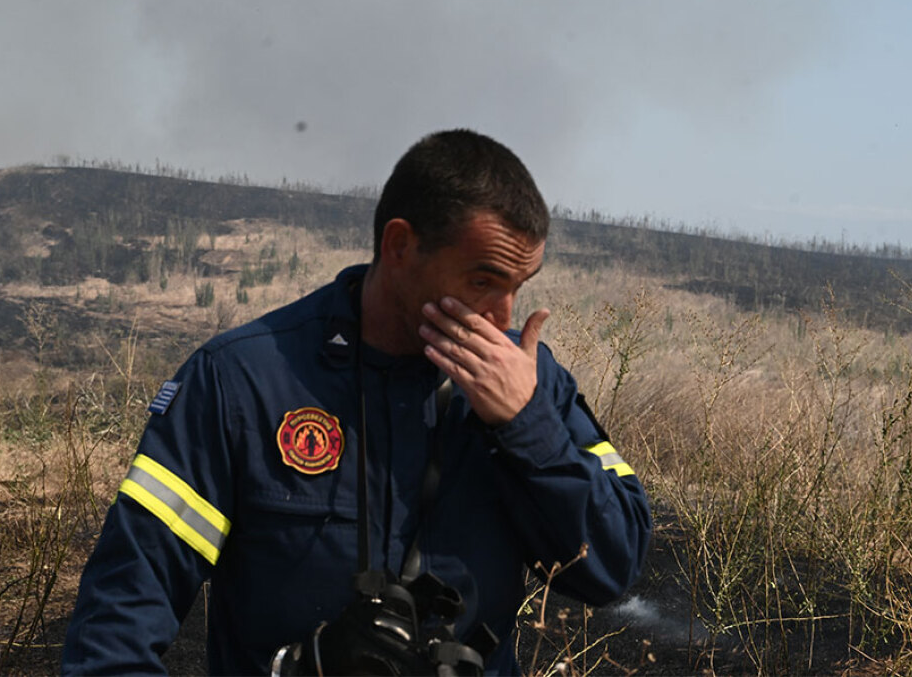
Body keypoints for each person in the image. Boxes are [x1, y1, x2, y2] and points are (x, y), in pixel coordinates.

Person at [61, 129, 652, 676]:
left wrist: (528, 428)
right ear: (400, 246)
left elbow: (612, 570)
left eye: (517, 288)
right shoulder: (243, 382)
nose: (502, 318)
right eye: (482, 281)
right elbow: (119, 620)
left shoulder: (528, 381)